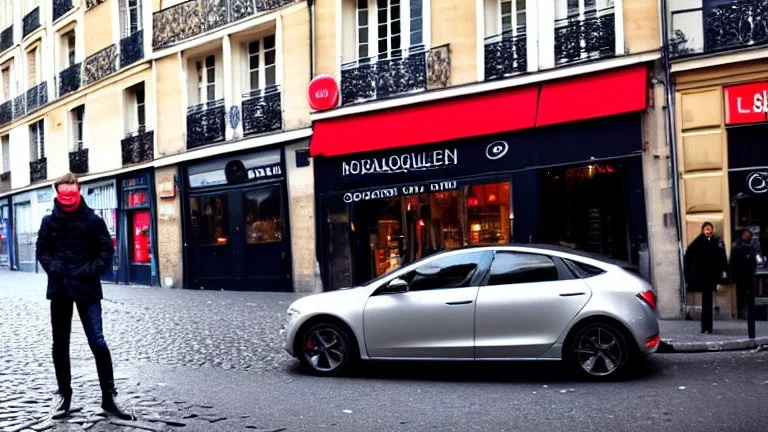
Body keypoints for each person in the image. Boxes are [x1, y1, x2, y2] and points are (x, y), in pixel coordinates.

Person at [35, 173, 132, 420]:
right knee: (60, 345)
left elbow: (105, 251)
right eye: (64, 192)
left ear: (79, 190)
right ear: (57, 192)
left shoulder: (93, 221)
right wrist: (56, 268)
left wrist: (86, 271)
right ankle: (64, 396)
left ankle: (109, 397)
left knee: (97, 341)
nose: (68, 197)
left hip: (87, 288)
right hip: (59, 288)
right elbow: (42, 250)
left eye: (72, 191)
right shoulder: (48, 222)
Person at [684, 222, 728, 334]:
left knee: (708, 302)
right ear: (703, 230)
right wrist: (690, 273)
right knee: (705, 303)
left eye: (709, 229)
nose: (708, 231)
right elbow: (689, 255)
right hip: (702, 276)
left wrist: (724, 271)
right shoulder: (698, 241)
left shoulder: (716, 241)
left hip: (712, 276)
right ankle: (705, 327)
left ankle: (709, 327)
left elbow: (722, 257)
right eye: (706, 229)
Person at [730, 229, 760, 319]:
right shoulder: (737, 246)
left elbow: (753, 259)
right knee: (741, 294)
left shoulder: (751, 246)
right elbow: (733, 261)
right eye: (745, 234)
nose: (746, 236)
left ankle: (749, 310)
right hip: (740, 274)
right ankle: (741, 311)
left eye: (748, 235)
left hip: (749, 274)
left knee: (749, 293)